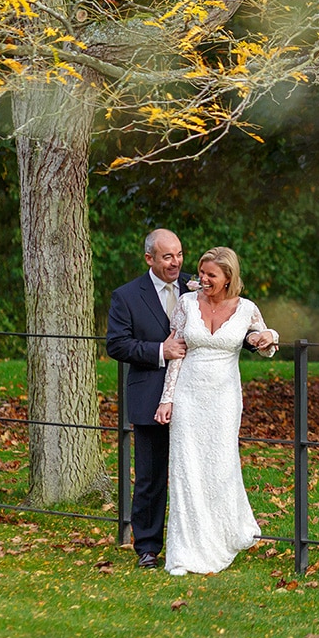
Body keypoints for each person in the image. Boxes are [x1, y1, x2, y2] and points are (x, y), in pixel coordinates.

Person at [155, 246, 279, 576]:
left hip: (224, 401)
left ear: (228, 278)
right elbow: (176, 353)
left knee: (219, 466)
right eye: (203, 273)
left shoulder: (246, 309)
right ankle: (185, 551)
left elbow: (265, 344)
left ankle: (224, 536)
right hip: (188, 398)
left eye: (212, 275)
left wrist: (270, 336)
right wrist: (166, 400)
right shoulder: (186, 304)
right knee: (186, 470)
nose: (204, 279)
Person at [105, 228, 189, 569]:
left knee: (193, 473)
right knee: (151, 477)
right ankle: (149, 548)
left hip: (194, 396)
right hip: (150, 399)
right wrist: (160, 351)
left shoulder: (196, 287)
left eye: (179, 254)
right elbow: (116, 344)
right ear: (149, 258)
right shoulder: (126, 296)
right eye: (167, 256)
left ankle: (193, 544)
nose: (175, 262)